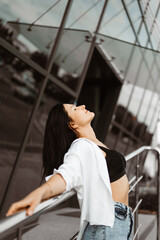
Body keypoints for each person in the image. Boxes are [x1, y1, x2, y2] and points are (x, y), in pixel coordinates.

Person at [6, 104, 134, 240]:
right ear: (72, 125)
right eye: (74, 109)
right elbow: (66, 175)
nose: (82, 106)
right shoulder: (81, 146)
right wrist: (41, 193)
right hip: (107, 227)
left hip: (117, 221)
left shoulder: (93, 144)